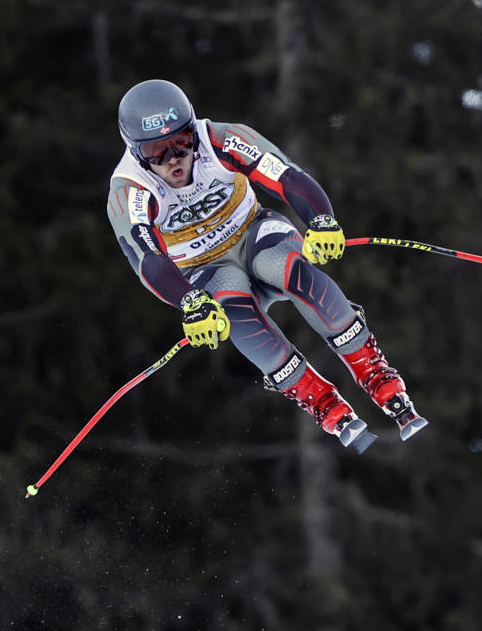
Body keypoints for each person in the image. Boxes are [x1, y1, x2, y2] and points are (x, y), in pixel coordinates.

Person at [106, 79, 427, 453]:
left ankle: (374, 371)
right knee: (233, 310)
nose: (174, 159)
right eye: (157, 152)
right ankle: (320, 400)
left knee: (288, 267)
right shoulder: (129, 189)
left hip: (254, 230)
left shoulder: (220, 140)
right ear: (135, 152)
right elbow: (147, 259)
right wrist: (190, 303)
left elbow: (286, 175)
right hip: (203, 266)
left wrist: (321, 220)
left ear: (193, 130)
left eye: (180, 142)